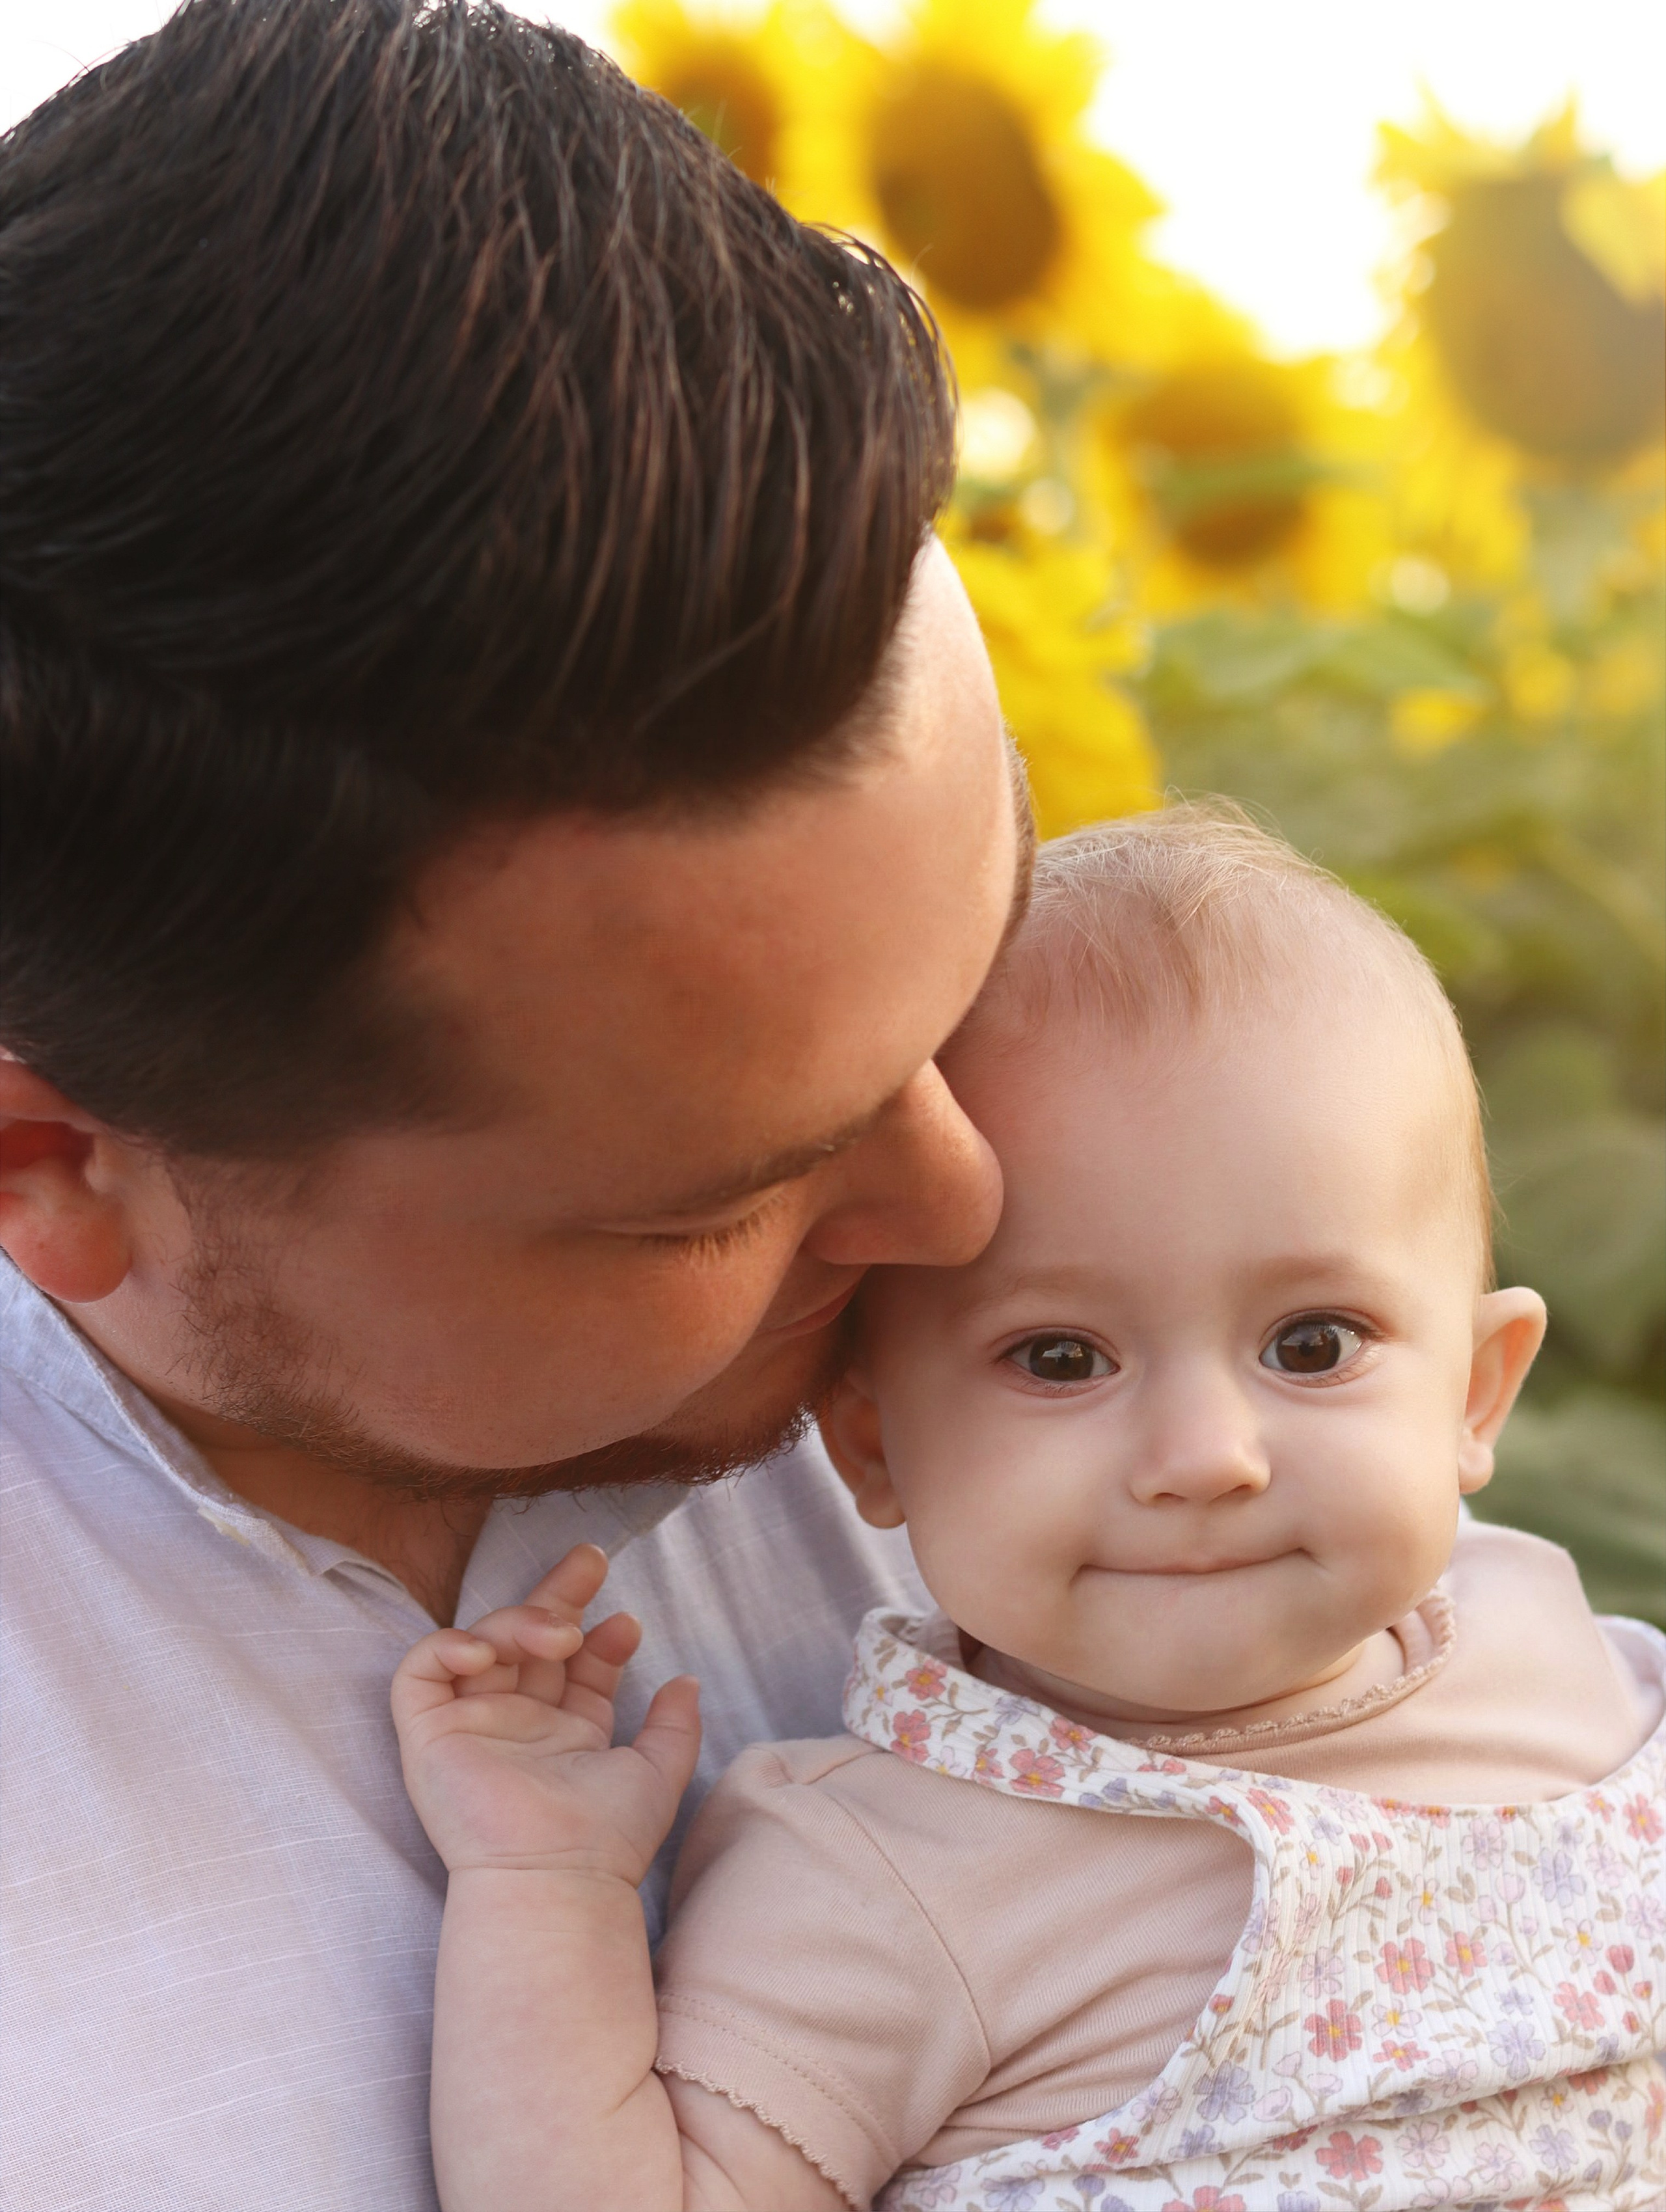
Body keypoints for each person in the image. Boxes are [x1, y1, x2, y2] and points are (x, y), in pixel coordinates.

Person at [0, 4, 1030, 2205]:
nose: (971, 1198)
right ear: (55, 1165)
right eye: (720, 1198)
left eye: (983, 964)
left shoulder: (1129, 1277)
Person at [391, 810, 1666, 2212]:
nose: (1203, 1456)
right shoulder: (891, 1869)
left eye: (1310, 1343)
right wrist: (544, 1880)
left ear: (1474, 1395)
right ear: (870, 1442)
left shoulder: (1553, 1644)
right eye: (1059, 1357)